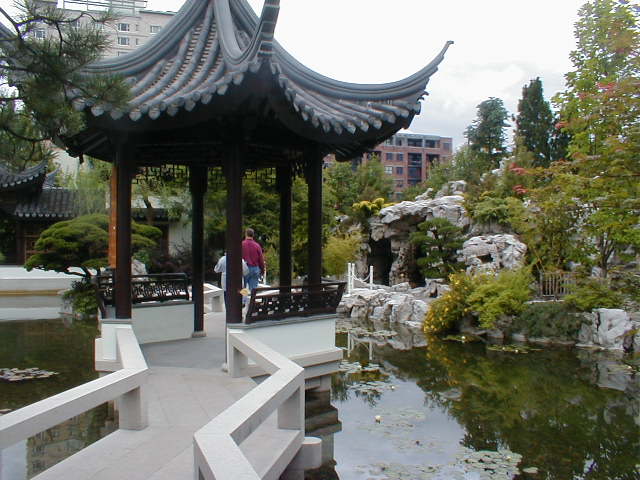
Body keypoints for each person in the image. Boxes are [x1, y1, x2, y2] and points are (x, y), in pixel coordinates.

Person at [241, 228, 265, 294]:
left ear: (246, 234)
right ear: (253, 235)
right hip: (255, 269)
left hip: (244, 268)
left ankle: (244, 299)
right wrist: (262, 270)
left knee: (243, 288)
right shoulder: (257, 245)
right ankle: (252, 300)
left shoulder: (241, 244)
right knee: (253, 289)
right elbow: (261, 259)